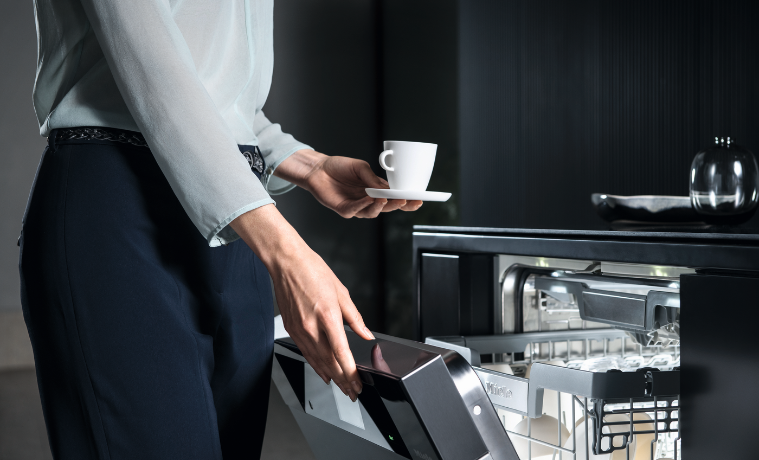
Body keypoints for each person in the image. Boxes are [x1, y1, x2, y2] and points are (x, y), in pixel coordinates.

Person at [20, 1, 421, 459]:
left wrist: (308, 164)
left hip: (240, 224)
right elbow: (151, 69)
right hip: (120, 209)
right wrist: (288, 254)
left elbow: (221, 96)